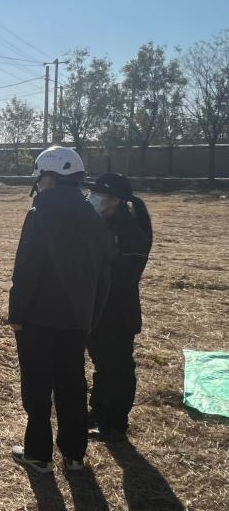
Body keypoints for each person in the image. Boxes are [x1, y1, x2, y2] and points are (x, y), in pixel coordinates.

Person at [7, 145, 113, 473]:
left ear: (51, 178)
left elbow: (26, 270)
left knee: (37, 386)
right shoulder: (95, 219)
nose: (39, 186)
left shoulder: (39, 215)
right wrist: (91, 318)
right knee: (72, 384)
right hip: (78, 320)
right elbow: (104, 276)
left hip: (38, 319)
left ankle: (38, 454)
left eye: (41, 179)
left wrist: (16, 314)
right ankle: (74, 454)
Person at [84, 173, 153, 441]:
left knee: (118, 367)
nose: (91, 198)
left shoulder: (129, 230)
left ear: (114, 200)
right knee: (102, 363)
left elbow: (123, 276)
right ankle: (98, 412)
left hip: (117, 312)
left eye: (98, 194)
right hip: (99, 308)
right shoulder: (105, 223)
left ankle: (114, 422)